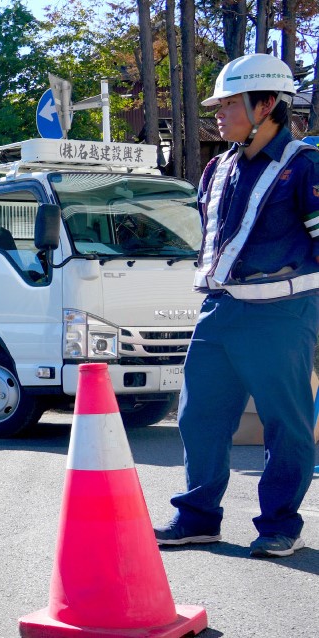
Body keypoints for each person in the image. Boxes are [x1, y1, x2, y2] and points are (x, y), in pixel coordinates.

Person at [155, 54, 319, 559]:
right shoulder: (217, 167)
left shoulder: (306, 167)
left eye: (228, 104)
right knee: (199, 415)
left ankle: (279, 524)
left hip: (281, 315)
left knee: (285, 423)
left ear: (267, 104)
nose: (219, 114)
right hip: (218, 311)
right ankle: (198, 517)